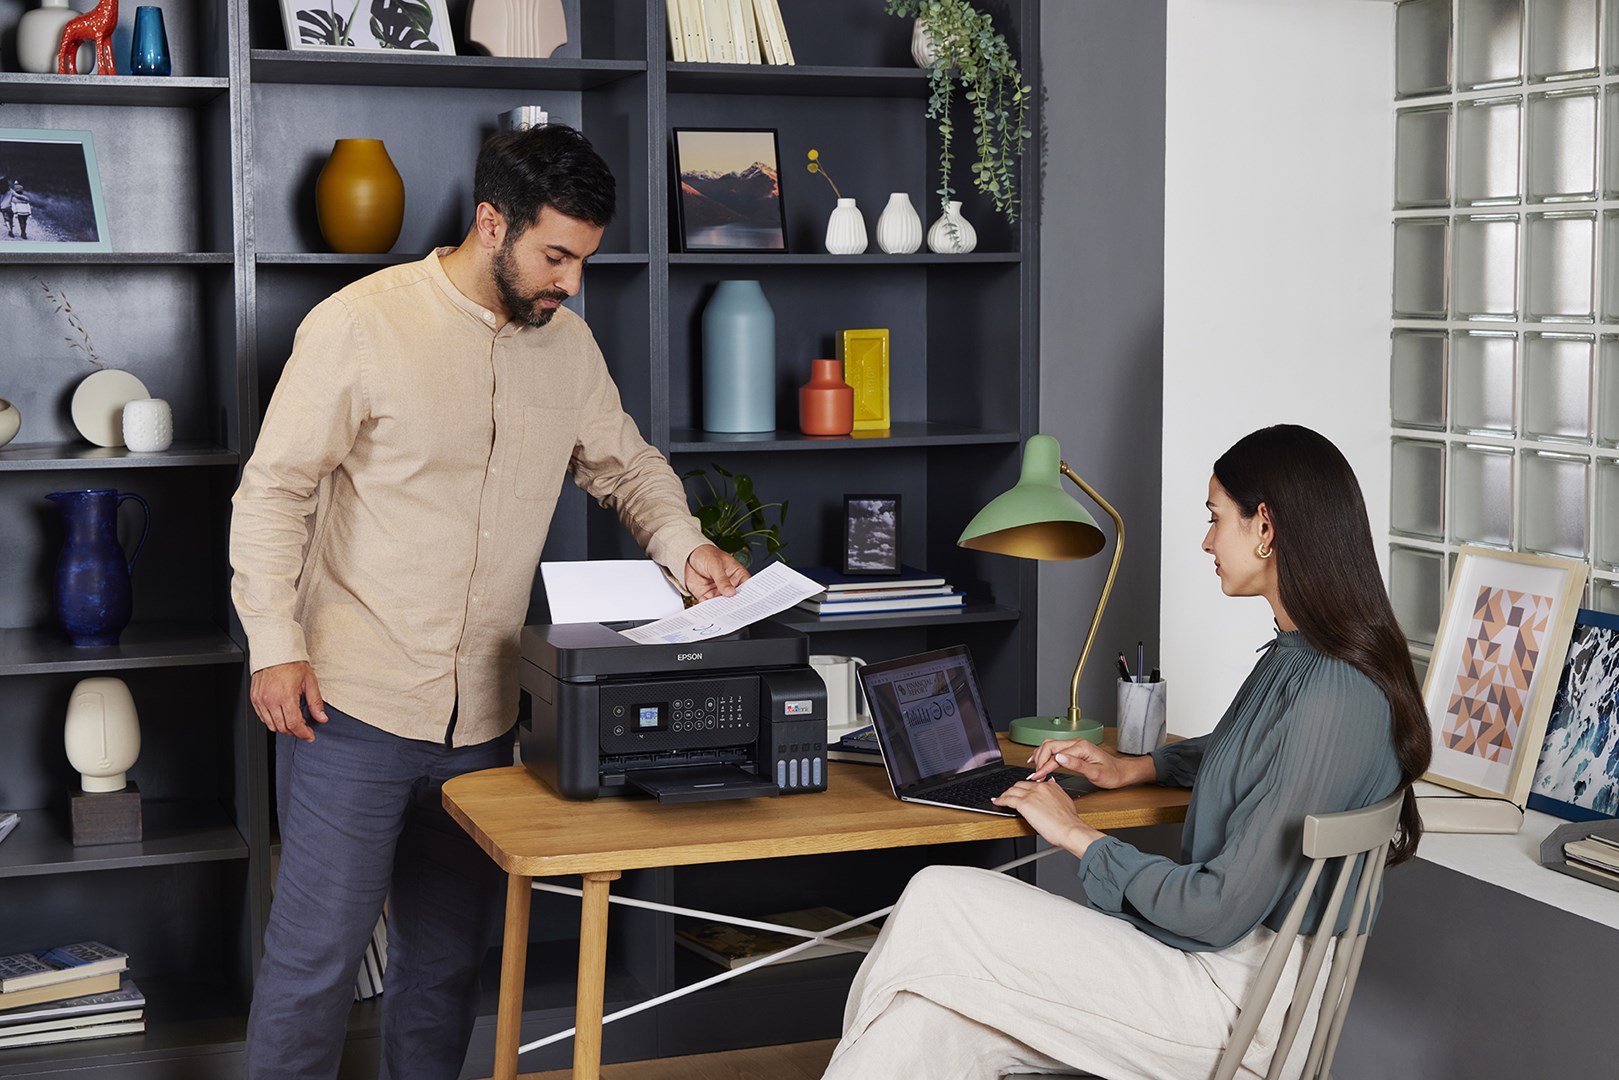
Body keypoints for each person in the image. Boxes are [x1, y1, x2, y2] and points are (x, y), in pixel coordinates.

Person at [230, 123, 747, 1080]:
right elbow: (274, 492)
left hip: (484, 724)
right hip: (347, 708)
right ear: (491, 223)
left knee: (443, 970)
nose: (571, 282)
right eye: (556, 256)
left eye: (584, 260)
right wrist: (273, 642)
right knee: (312, 969)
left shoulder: (568, 346)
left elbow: (626, 466)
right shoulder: (359, 325)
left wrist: (688, 546)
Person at [822, 424, 1432, 1080]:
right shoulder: (1306, 659)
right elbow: (1253, 750)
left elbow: (1215, 909)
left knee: (938, 896)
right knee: (928, 1019)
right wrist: (1135, 767)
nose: (1206, 541)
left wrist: (1076, 834)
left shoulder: (1334, 693)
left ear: (1265, 527)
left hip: (1235, 1007)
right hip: (1217, 974)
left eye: (1214, 517)